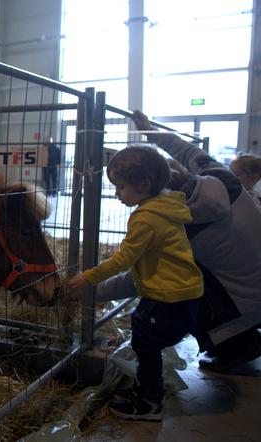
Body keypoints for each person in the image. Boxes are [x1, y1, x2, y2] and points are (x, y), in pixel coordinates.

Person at [98, 110, 261, 375]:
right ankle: (243, 338)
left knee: (179, 285)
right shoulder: (220, 177)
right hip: (254, 279)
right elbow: (185, 150)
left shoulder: (177, 226)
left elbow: (138, 278)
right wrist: (150, 132)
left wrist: (88, 290)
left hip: (247, 302)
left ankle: (235, 345)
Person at [69, 145, 203, 422]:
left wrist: (88, 277)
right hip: (179, 293)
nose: (116, 193)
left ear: (144, 184)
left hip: (169, 297)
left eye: (120, 187)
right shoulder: (164, 207)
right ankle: (147, 389)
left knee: (145, 342)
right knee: (142, 330)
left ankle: (150, 402)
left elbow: (124, 259)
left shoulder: (146, 218)